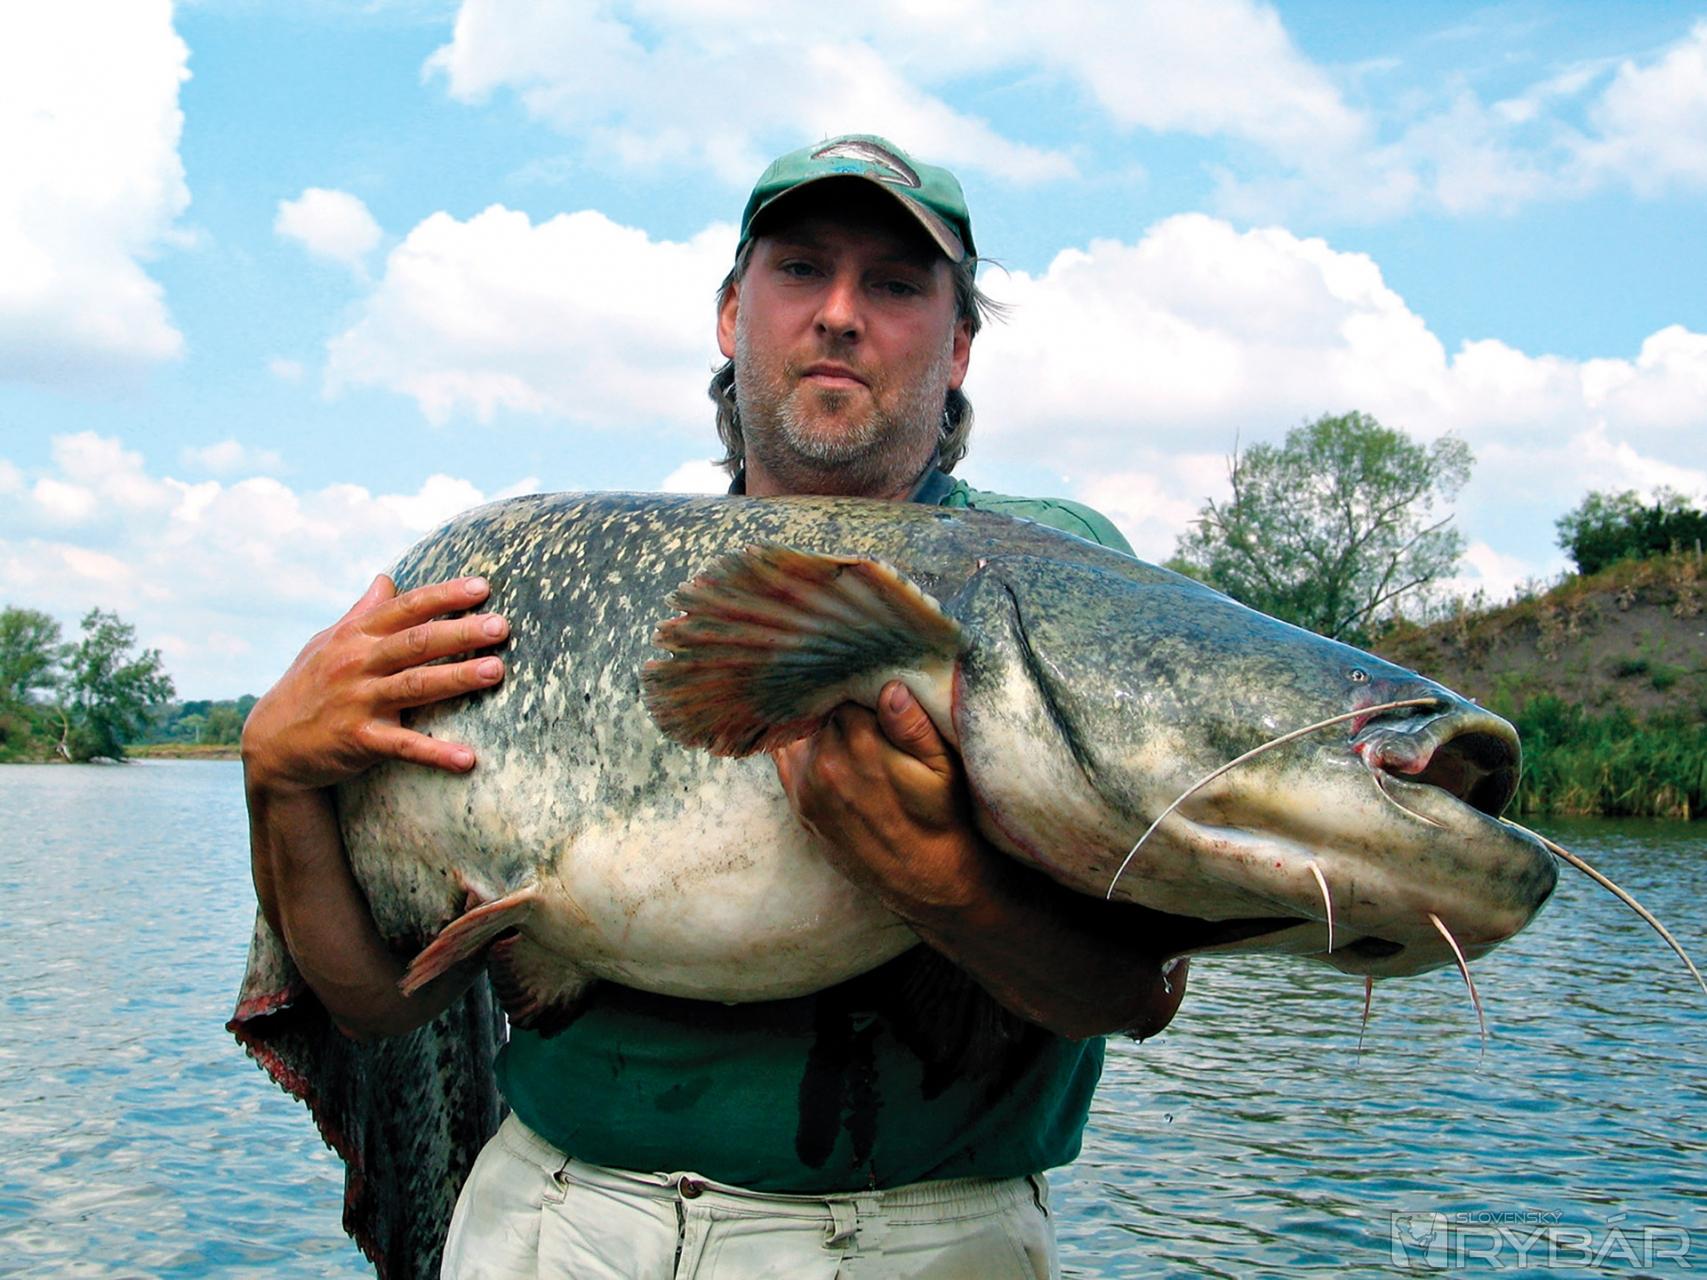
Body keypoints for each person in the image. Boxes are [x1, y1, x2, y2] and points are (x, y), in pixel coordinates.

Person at [242, 134, 1190, 1279]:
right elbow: (375, 1004)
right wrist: (275, 772)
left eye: (895, 284)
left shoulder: (1056, 570)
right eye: (801, 270)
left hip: (913, 1242)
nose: (839, 313)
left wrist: (947, 886)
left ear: (958, 347)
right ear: (734, 314)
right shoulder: (555, 582)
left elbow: (1137, 990)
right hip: (548, 1220)